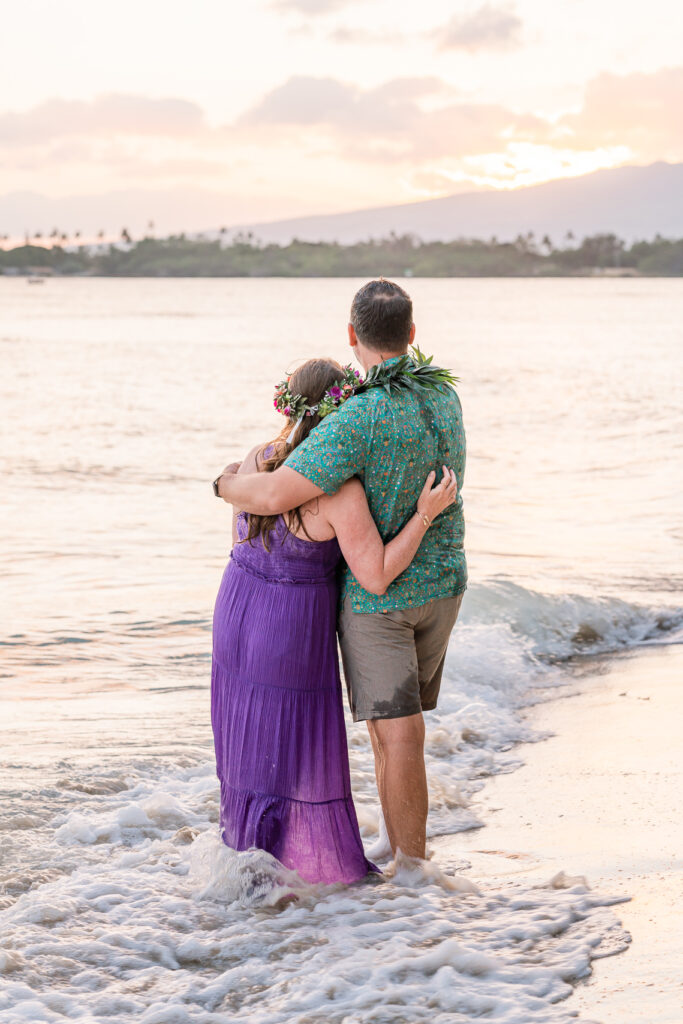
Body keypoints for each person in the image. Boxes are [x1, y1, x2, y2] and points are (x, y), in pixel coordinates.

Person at [215, 280, 467, 863]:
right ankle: (397, 848)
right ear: (411, 335)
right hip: (446, 586)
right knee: (395, 730)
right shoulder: (445, 396)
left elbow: (277, 491)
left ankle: (411, 867)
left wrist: (225, 483)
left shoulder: (358, 416)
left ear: (354, 335)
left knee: (395, 733)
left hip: (384, 598)